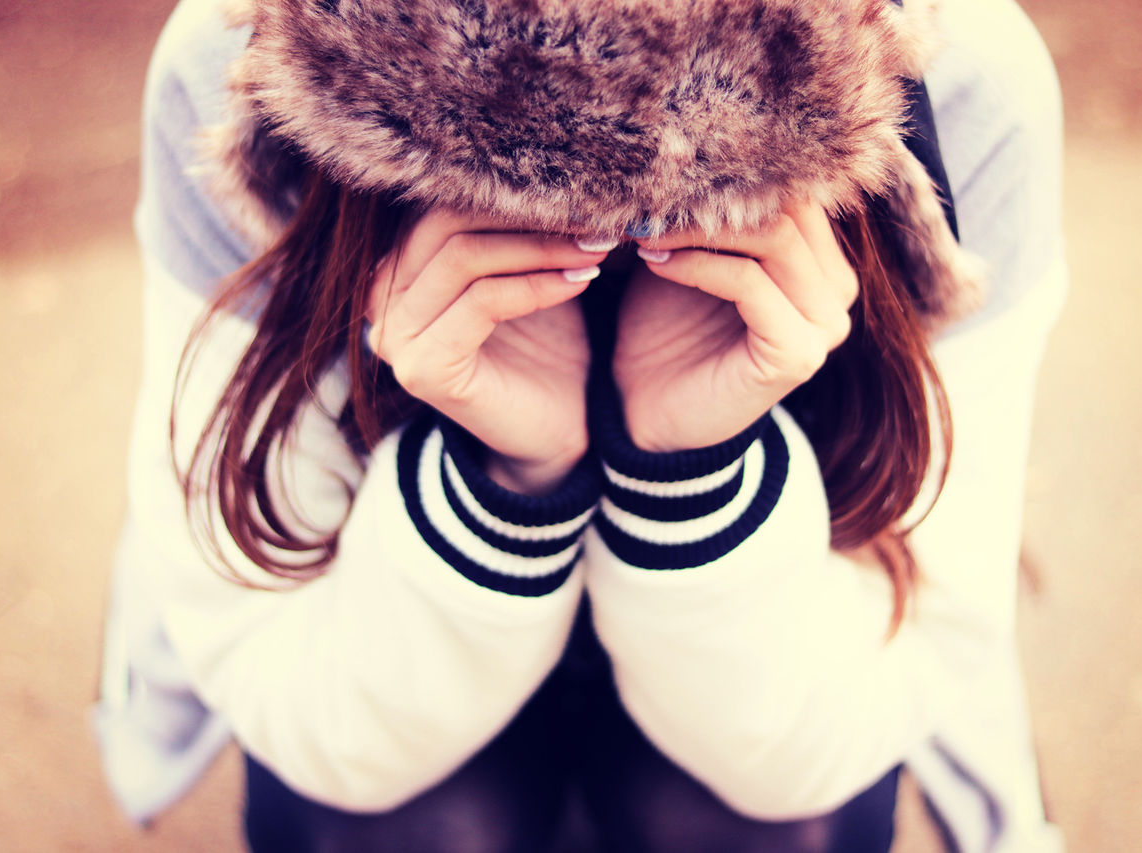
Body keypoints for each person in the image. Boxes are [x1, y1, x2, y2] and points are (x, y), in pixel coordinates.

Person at [93, 0, 1069, 850]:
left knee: (773, 828)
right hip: (386, 609)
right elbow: (281, 673)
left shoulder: (955, 79)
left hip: (773, 629)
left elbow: (864, 705)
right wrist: (505, 482)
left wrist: (689, 470)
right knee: (401, 830)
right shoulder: (244, 70)